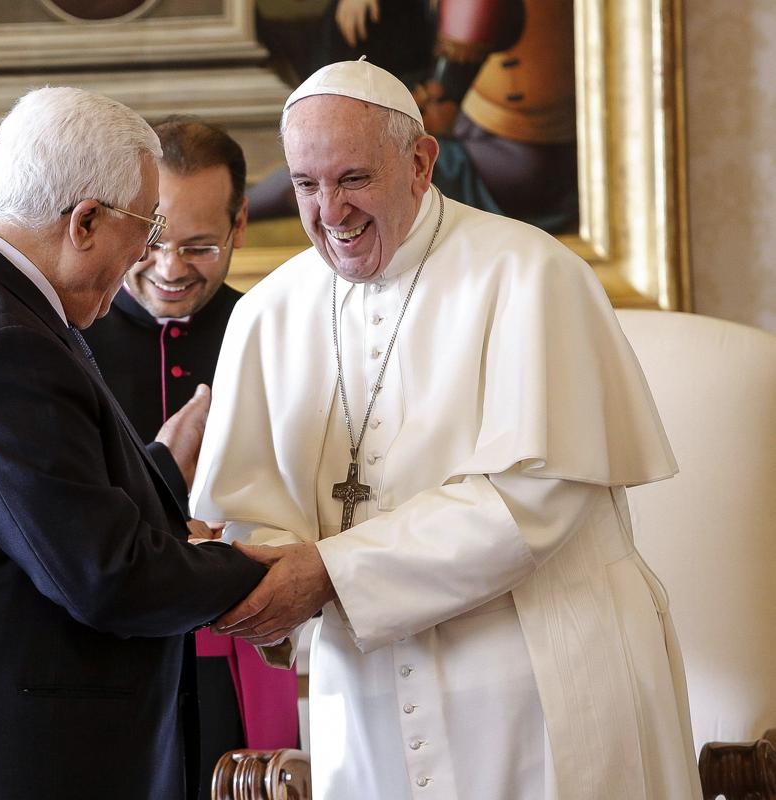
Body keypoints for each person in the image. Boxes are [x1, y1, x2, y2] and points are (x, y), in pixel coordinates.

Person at [192, 60, 701, 799]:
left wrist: (331, 572)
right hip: (362, 694)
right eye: (306, 185)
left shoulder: (530, 274)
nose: (330, 212)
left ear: (421, 163)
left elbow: (536, 499)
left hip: (535, 679)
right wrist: (265, 580)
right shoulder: (269, 312)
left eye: (353, 178)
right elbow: (254, 513)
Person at [0, 87, 267, 800]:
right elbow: (105, 577)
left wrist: (159, 467)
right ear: (86, 220)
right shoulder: (3, 345)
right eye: (148, 227)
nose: (149, 257)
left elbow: (24, 507)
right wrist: (262, 571)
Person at [83, 117, 299, 798]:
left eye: (201, 246)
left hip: (250, 648)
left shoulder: (279, 333)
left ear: (240, 225)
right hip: (111, 658)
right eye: (154, 240)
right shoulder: (65, 342)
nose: (173, 268)